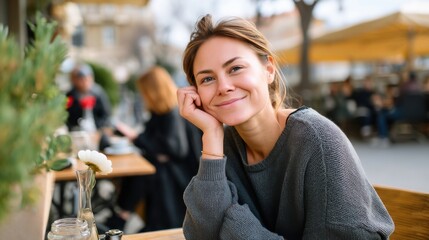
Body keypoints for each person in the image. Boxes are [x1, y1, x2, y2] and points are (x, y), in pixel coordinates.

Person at [177, 14, 394, 239]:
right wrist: (211, 135)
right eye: (207, 79)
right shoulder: (224, 146)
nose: (223, 87)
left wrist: (233, 224)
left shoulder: (317, 140)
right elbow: (202, 233)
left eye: (235, 68)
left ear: (268, 70)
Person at [107, 66, 201, 232]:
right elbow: (152, 142)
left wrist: (139, 139)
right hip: (168, 169)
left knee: (145, 172)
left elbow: (176, 149)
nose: (143, 96)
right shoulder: (160, 113)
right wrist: (151, 148)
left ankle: (122, 217)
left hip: (181, 175)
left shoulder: (172, 113)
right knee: (143, 169)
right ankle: (122, 216)